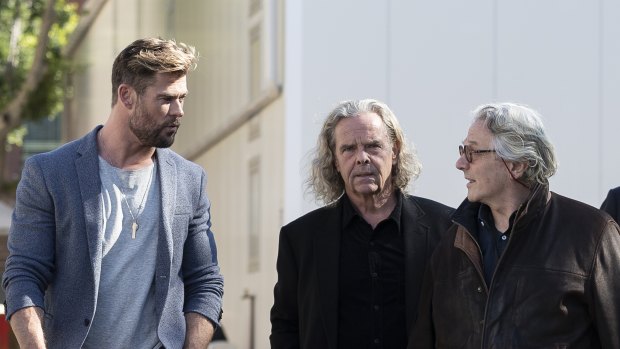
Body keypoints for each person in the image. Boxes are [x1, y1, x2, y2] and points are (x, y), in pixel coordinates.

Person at [2, 38, 224, 348]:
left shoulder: (189, 180)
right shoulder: (49, 173)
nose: (179, 111)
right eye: (166, 99)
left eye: (182, 98)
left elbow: (205, 281)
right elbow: (24, 274)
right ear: (127, 96)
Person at [410, 103, 620, 348]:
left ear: (517, 164)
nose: (460, 163)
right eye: (462, 150)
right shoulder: (454, 241)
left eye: (473, 152)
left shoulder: (592, 235)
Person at [270, 99, 454, 348]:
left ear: (395, 151)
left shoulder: (446, 228)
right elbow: (285, 325)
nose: (361, 158)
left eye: (373, 146)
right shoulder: (300, 239)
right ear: (335, 161)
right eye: (348, 149)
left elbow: (462, 319)